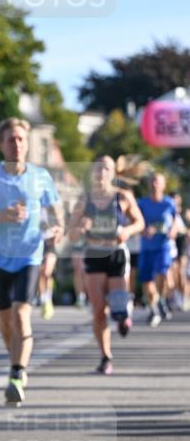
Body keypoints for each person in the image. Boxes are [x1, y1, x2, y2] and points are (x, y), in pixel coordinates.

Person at [0, 117, 63, 405]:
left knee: (21, 314)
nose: (16, 144)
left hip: (30, 255)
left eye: (21, 139)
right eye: (11, 139)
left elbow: (56, 214)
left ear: (27, 143)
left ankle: (17, 373)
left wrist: (56, 229)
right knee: (5, 321)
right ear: (1, 144)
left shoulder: (41, 177)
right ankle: (15, 361)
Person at [68, 156, 144, 375]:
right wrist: (80, 228)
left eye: (106, 168)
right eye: (97, 168)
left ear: (113, 173)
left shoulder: (123, 197)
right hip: (94, 254)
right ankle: (105, 356)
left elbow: (140, 222)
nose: (101, 172)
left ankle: (123, 316)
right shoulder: (84, 200)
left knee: (118, 305)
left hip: (116, 254)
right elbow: (71, 235)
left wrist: (127, 231)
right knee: (99, 311)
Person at [137, 173, 177, 326]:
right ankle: (154, 307)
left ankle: (161, 298)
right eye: (152, 181)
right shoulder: (142, 203)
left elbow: (175, 221)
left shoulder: (169, 203)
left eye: (157, 182)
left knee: (163, 273)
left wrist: (173, 230)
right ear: (149, 184)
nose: (154, 184)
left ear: (163, 185)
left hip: (163, 246)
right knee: (147, 280)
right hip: (147, 247)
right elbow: (136, 221)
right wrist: (144, 230)